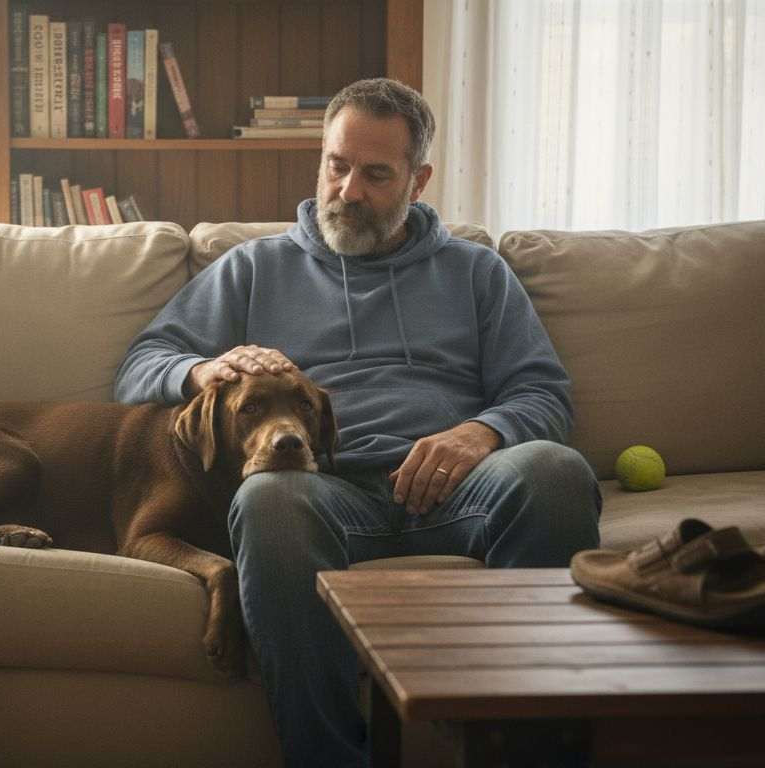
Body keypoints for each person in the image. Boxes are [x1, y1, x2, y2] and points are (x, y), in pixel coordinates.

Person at [113, 78, 601, 767]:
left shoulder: (477, 273)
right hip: (324, 490)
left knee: (555, 470)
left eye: (375, 174)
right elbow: (141, 363)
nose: (347, 191)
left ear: (418, 179)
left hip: (457, 489)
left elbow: (543, 392)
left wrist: (481, 434)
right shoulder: (254, 267)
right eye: (336, 166)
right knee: (268, 498)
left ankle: (520, 752)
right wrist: (202, 370)